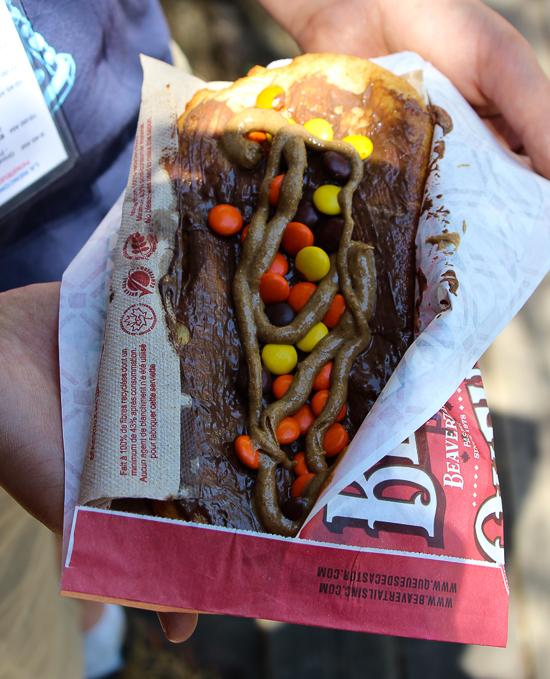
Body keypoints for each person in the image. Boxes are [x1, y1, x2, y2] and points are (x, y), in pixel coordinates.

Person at [1, 0, 549, 656]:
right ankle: (90, 645)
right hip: (21, 357)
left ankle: (98, 631)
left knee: (89, 559)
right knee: (26, 609)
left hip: (157, 137)